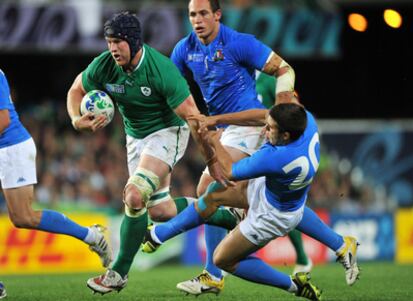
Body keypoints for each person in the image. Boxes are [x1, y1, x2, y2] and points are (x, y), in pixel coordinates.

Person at [66, 11, 228, 295]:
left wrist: (212, 161)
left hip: (168, 131)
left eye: (118, 41)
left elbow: (194, 119)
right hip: (135, 137)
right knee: (160, 210)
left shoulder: (162, 71)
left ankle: (118, 273)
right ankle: (225, 213)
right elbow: (76, 89)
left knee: (134, 194)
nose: (113, 48)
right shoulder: (104, 65)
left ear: (133, 41)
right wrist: (75, 119)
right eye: (109, 42)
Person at [142, 103, 360, 299]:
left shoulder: (276, 158)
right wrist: (219, 119)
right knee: (213, 193)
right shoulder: (307, 122)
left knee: (223, 260)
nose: (265, 130)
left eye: (270, 128)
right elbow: (272, 112)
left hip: (271, 216)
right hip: (274, 191)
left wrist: (212, 142)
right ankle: (158, 235)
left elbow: (228, 171)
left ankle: (293, 285)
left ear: (285, 136)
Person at [168, 0, 299, 295]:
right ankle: (222, 259)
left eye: (203, 13)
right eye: (192, 14)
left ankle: (214, 270)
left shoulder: (239, 43)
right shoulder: (183, 49)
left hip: (250, 126)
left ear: (217, 15)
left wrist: (282, 105)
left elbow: (283, 69)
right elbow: (171, 88)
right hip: (223, 131)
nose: (197, 20)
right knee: (220, 195)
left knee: (209, 189)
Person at [0, 69, 112, 272]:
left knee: (23, 217)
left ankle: (90, 236)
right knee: (20, 218)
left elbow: (2, 120)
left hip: (10, 148)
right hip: (8, 149)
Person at [256, 71, 312, 274]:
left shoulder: (268, 81)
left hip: (271, 151)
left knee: (281, 205)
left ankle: (304, 256)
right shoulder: (235, 79)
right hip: (248, 147)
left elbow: (296, 109)